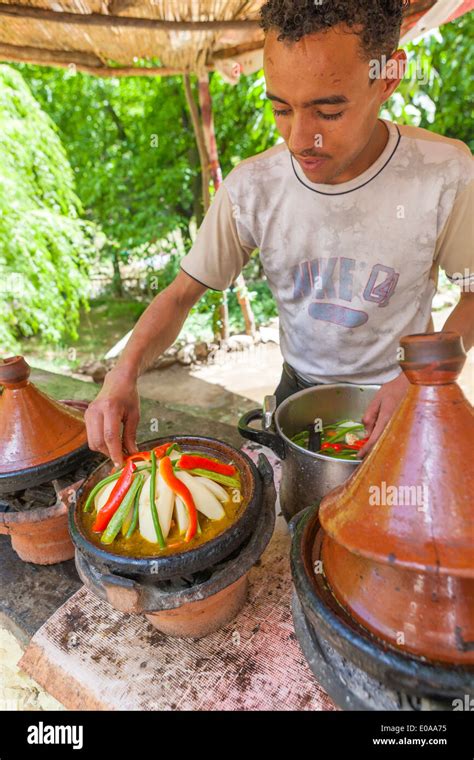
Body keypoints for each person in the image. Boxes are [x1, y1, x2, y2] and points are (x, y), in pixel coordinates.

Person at [85, 0, 474, 466]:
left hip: (408, 387)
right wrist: (122, 374)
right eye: (282, 108)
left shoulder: (442, 172)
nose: (298, 140)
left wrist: (417, 379)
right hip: (297, 393)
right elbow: (180, 294)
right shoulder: (253, 186)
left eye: (328, 112)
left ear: (388, 76)